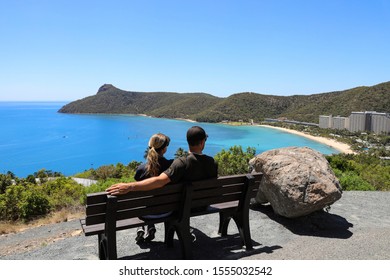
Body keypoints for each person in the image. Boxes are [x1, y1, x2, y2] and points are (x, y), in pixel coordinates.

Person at [106, 126, 218, 240]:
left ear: (188, 141)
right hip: (201, 206)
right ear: (202, 142)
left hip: (178, 208)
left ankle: (145, 228)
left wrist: (130, 186)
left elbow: (160, 181)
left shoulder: (181, 164)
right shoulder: (213, 163)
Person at [134, 133, 173, 244]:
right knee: (155, 200)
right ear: (164, 149)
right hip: (167, 211)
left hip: (146, 213)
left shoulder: (141, 169)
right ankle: (149, 227)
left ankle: (142, 228)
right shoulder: (172, 166)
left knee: (146, 201)